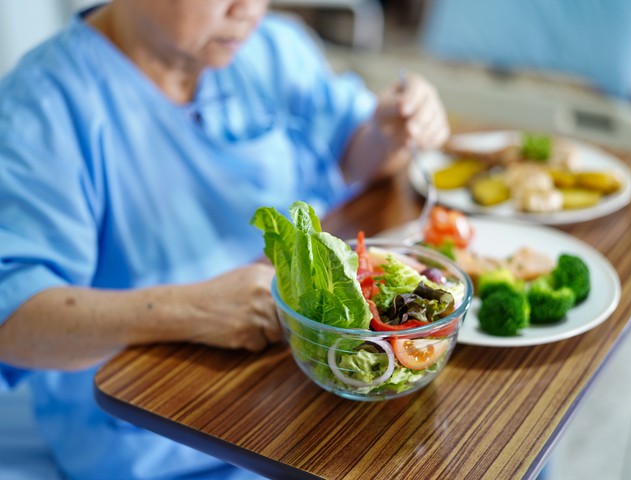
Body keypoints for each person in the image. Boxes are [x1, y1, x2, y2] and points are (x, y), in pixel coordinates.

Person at [0, 1, 449, 478]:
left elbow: (351, 156)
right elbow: (14, 320)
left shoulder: (273, 48)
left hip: (301, 396)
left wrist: (387, 133)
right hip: (155, 439)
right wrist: (192, 312)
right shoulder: (42, 107)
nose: (248, 10)